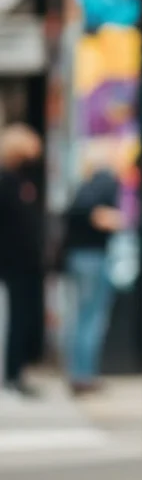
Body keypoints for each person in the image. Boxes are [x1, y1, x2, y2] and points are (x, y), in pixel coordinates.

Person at [62, 142, 123, 395]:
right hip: (94, 258)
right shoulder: (106, 182)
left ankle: (78, 373)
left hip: (77, 258)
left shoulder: (84, 185)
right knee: (92, 317)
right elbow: (99, 215)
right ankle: (84, 375)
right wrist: (114, 220)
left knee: (80, 317)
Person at [0, 124, 44, 395]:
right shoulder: (6, 183)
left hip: (25, 262)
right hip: (14, 262)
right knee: (17, 317)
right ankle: (13, 372)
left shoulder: (22, 180)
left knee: (24, 317)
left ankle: (18, 370)